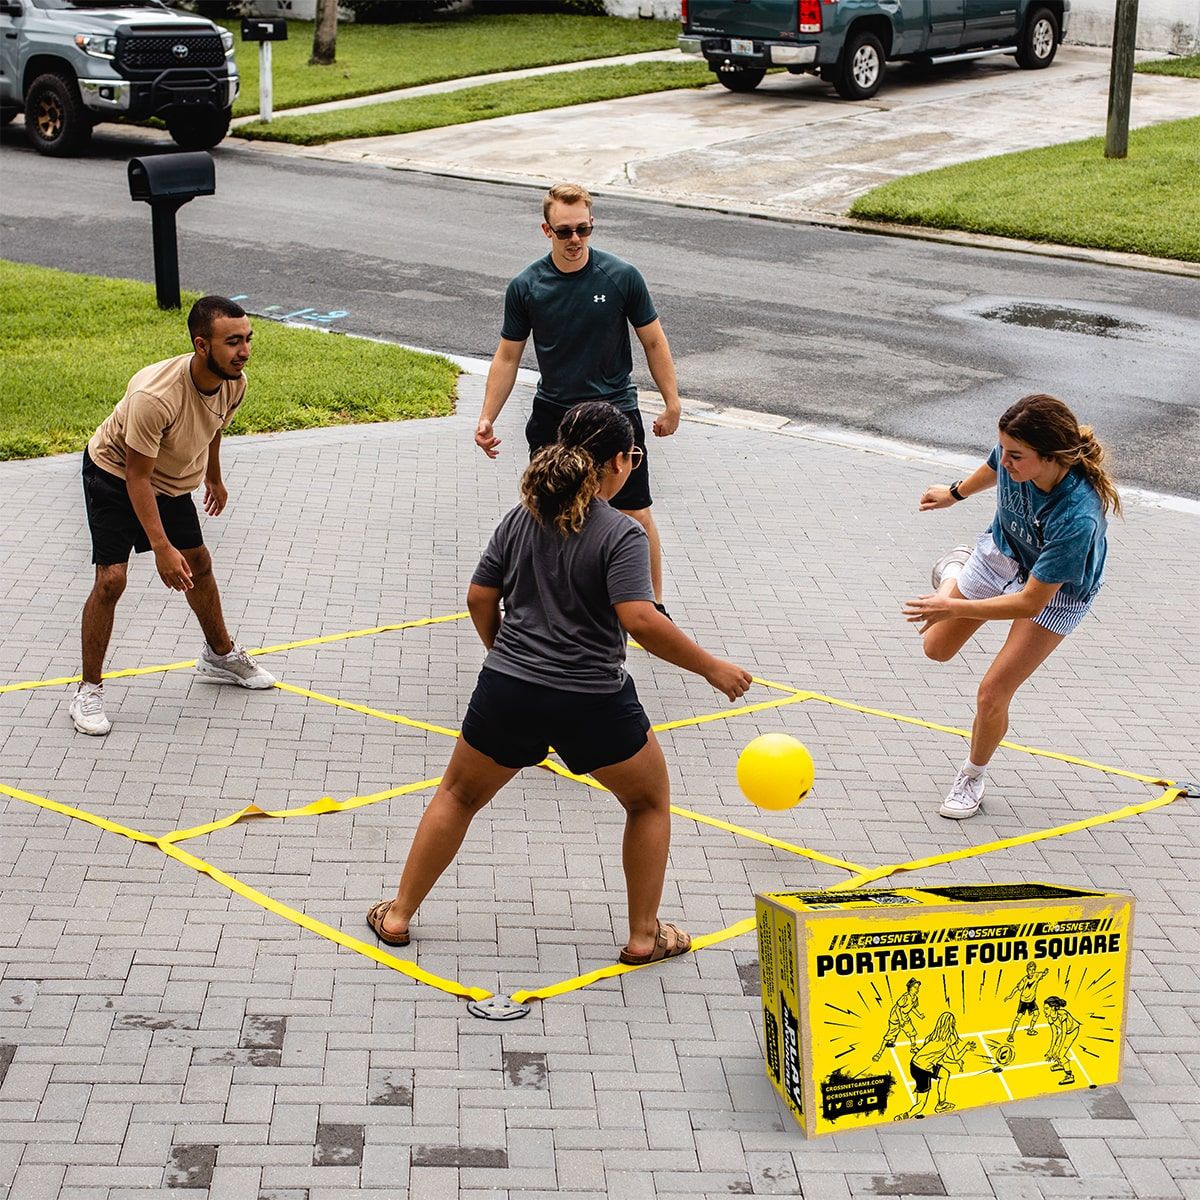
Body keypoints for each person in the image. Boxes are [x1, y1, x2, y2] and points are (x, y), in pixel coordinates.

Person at [368, 402, 751, 964]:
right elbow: (640, 620)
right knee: (647, 802)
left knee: (457, 795)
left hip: (508, 692)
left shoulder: (521, 517)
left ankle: (398, 915)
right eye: (633, 456)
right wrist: (713, 668)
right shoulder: (621, 533)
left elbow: (480, 596)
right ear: (619, 463)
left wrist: (502, 652)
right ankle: (645, 937)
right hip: (592, 700)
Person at [904, 394, 1121, 819]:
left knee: (992, 693)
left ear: (1051, 457)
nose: (1006, 462)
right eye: (1004, 449)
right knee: (936, 648)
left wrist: (953, 607)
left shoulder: (1078, 516)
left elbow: (1028, 602)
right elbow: (991, 465)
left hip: (1055, 592)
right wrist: (954, 493)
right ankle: (956, 567)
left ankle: (972, 776)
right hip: (1002, 552)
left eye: (1017, 456)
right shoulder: (1014, 452)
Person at [68, 296, 275, 736]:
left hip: (171, 478)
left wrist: (214, 478)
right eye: (233, 342)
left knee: (199, 563)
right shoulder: (154, 395)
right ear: (202, 345)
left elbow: (214, 426)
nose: (244, 351)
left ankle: (219, 655)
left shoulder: (234, 381)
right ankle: (88, 690)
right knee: (112, 579)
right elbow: (137, 478)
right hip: (114, 473)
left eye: (247, 340)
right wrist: (160, 548)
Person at [474, 182, 683, 610]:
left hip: (613, 414)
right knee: (544, 514)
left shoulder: (621, 276)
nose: (575, 240)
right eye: (564, 231)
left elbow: (655, 343)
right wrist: (486, 417)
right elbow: (508, 357)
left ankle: (653, 607)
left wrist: (672, 402)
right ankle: (538, 601)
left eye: (583, 230)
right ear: (546, 230)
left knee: (635, 512)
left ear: (592, 225)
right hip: (554, 417)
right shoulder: (527, 286)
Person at [895, 1012, 973, 1119]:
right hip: (923, 1070)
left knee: (944, 1074)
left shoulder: (931, 1037)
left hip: (915, 1065)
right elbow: (955, 1056)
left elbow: (939, 1057)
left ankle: (941, 1103)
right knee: (921, 1104)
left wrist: (955, 1062)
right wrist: (966, 1048)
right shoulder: (948, 1040)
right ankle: (906, 1115)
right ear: (951, 1024)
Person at [872, 978, 923, 1062]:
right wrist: (900, 1020)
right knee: (890, 1035)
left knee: (912, 1033)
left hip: (904, 1016)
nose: (917, 989)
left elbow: (912, 1008)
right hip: (896, 1018)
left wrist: (919, 1015)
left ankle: (913, 1048)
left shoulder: (915, 998)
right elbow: (898, 1008)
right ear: (910, 988)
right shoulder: (905, 997)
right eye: (915, 987)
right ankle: (879, 1053)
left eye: (918, 987)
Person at [1004, 963, 1049, 1042]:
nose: (1031, 972)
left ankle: (1030, 1029)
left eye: (1033, 970)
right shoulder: (1024, 980)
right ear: (1027, 970)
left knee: (1036, 1014)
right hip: (1024, 1002)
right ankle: (1011, 1034)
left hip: (1031, 1001)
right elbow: (1016, 988)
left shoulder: (1037, 975)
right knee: (1018, 1017)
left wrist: (1045, 972)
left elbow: (1043, 974)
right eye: (1029, 970)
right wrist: (1010, 996)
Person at [1043, 996, 1081, 1083]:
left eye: (1046, 1008)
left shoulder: (1063, 1015)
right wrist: (1051, 1050)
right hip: (1065, 1032)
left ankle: (1069, 1076)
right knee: (1055, 1051)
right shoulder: (1049, 1017)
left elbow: (1063, 1034)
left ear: (1053, 1008)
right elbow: (1055, 1034)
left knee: (1060, 1054)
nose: (1044, 1010)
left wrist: (1059, 1050)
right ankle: (1061, 1064)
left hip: (1072, 1031)